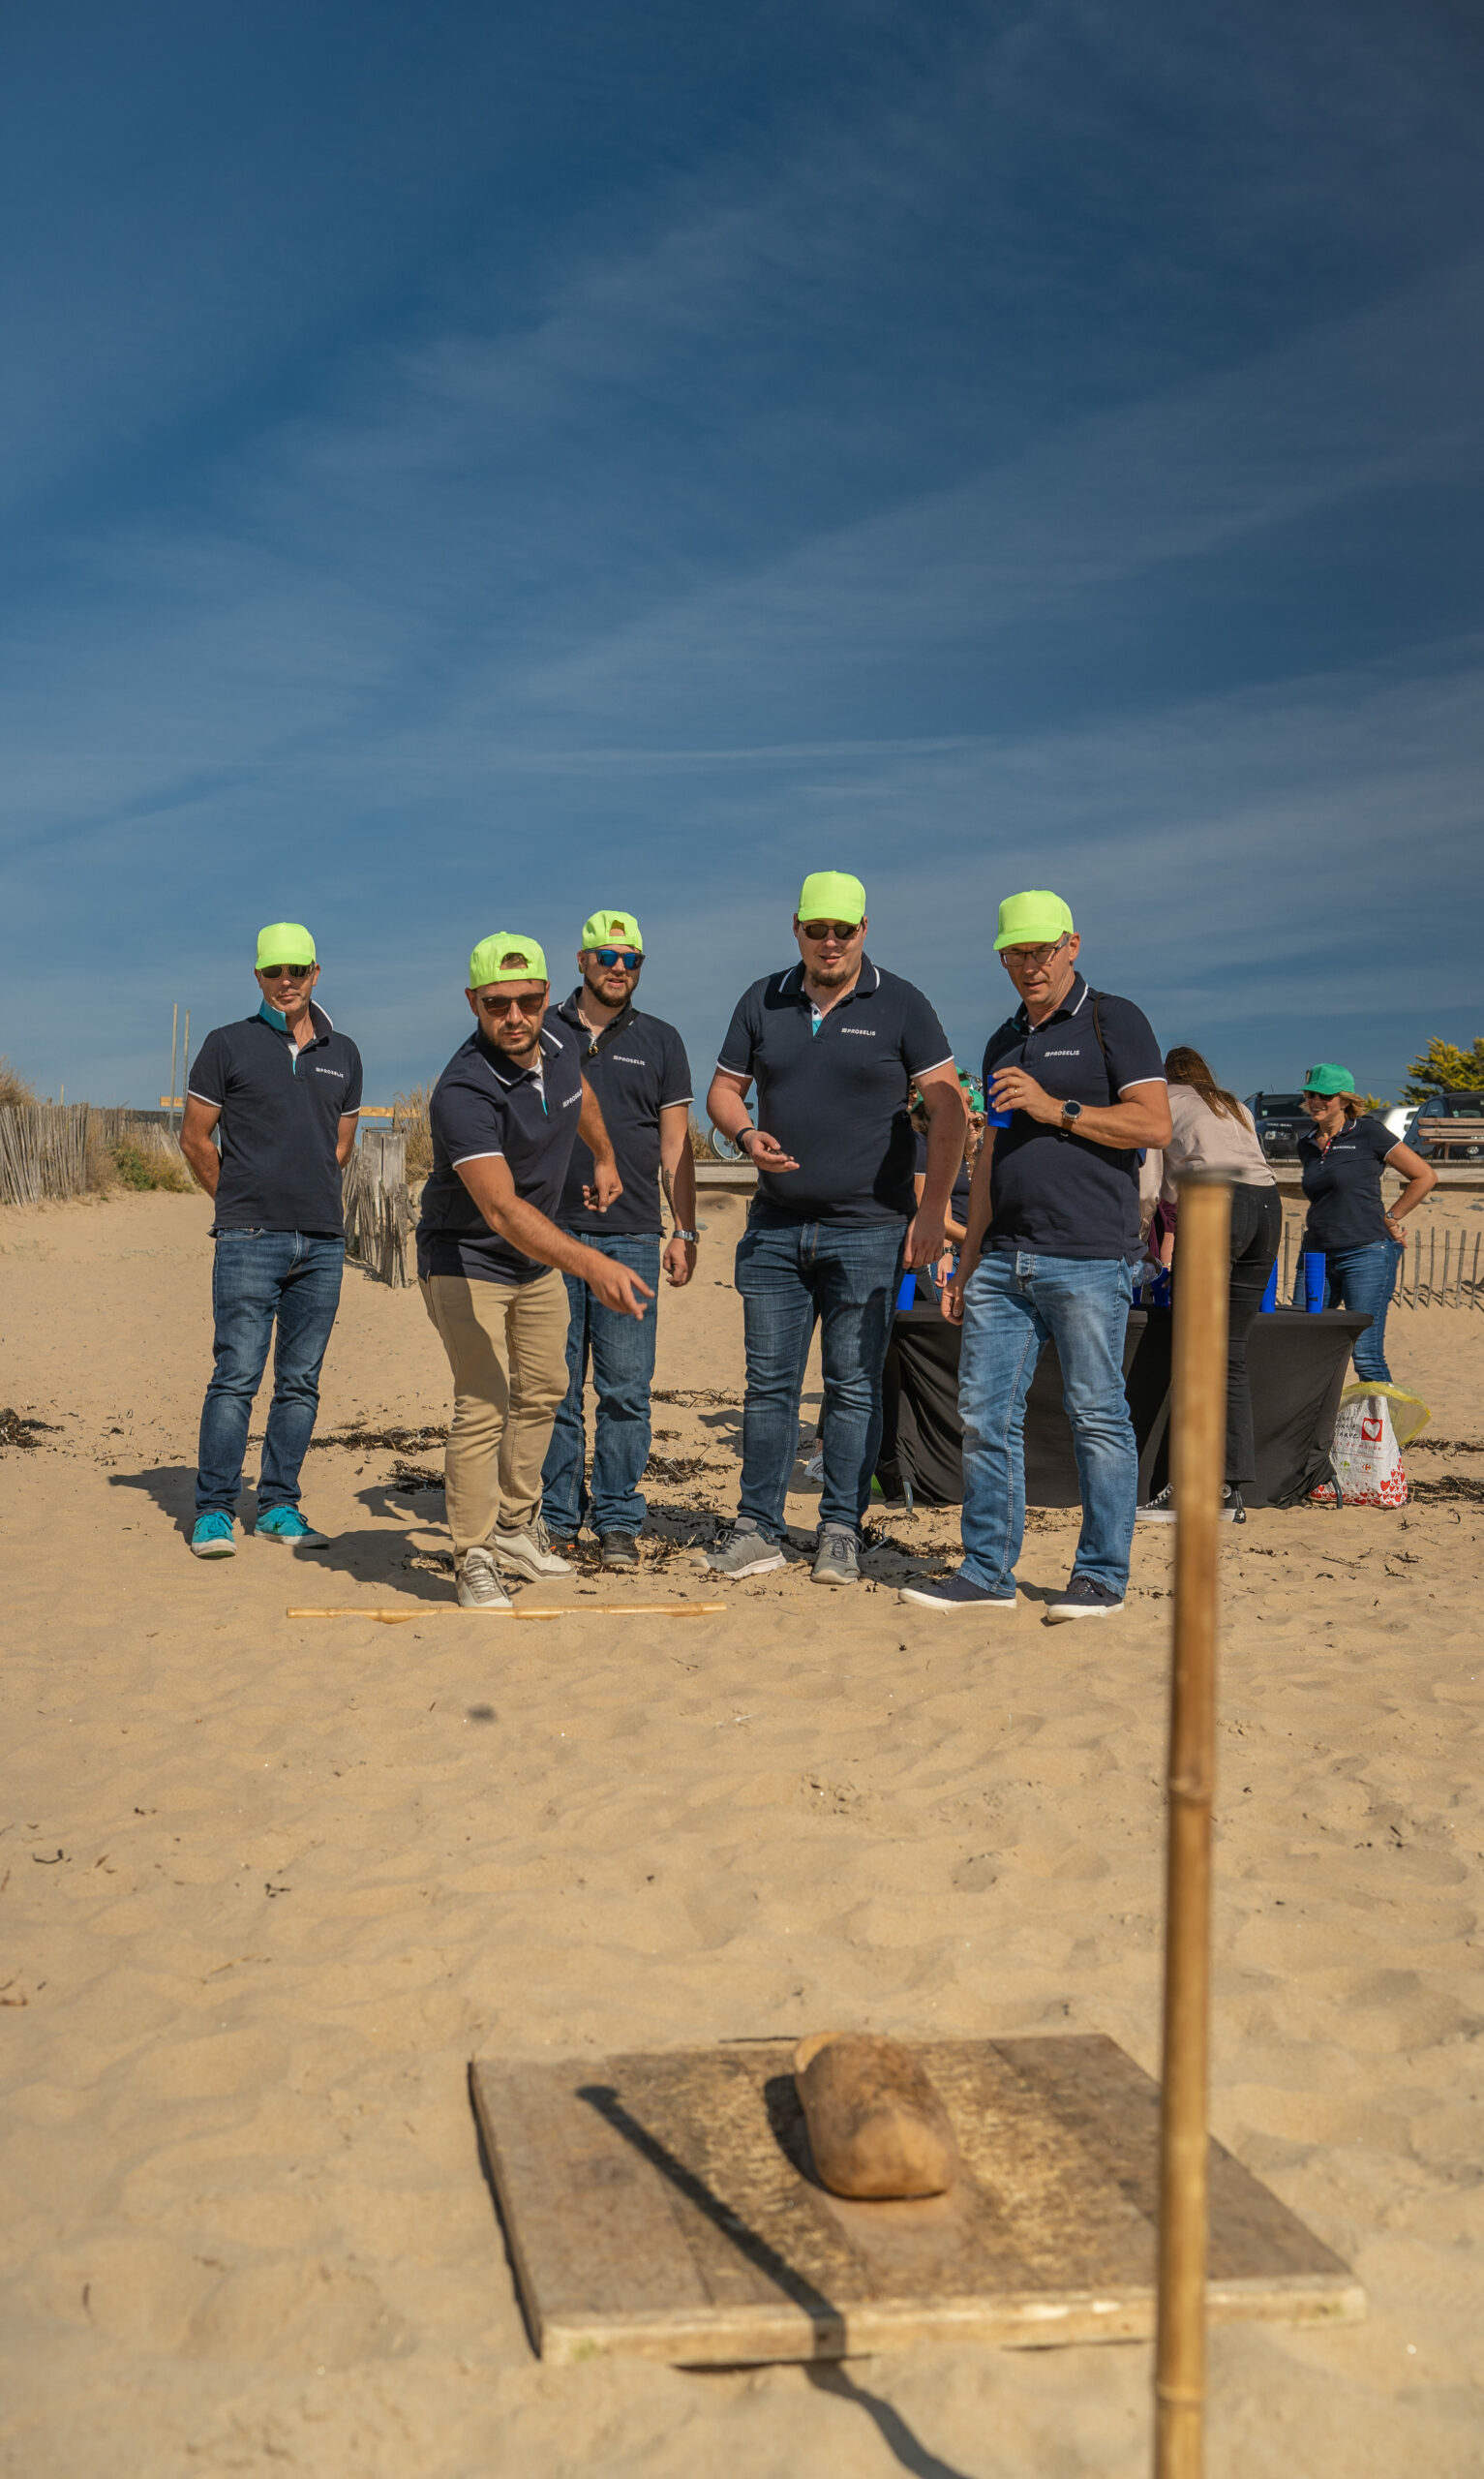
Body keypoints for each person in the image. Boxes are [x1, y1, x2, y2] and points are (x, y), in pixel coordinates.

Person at [901, 891, 1171, 1622]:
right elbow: (988, 1160)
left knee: (1096, 1417)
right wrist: (971, 1256)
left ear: (1071, 945)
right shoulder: (999, 1041)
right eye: (1014, 953)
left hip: (1089, 1257)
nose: (1029, 966)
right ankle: (987, 1571)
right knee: (985, 1417)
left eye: (1040, 950)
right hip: (1003, 1262)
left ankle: (1099, 1577)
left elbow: (1154, 1123)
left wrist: (1056, 1107)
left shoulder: (1115, 1019)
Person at [705, 871, 962, 1587]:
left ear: (863, 931)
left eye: (841, 930)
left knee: (852, 1389)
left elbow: (949, 1109)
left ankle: (841, 1530)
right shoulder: (762, 998)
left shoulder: (902, 1003)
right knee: (768, 1388)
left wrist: (933, 1214)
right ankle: (757, 1527)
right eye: (815, 929)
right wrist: (746, 1134)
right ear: (795, 928)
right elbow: (723, 1091)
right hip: (776, 1228)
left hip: (869, 1229)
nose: (828, 942)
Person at [416, 933, 653, 1611]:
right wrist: (592, 1263)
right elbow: (499, 1210)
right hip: (465, 1257)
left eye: (526, 1001)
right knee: (483, 1401)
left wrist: (604, 1157)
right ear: (473, 1002)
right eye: (496, 1005)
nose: (514, 1016)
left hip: (531, 1262)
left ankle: (517, 1526)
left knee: (546, 1386)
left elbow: (582, 1098)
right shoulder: (463, 1089)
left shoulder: (559, 1041)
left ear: (548, 996)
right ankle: (473, 1557)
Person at [180, 923, 362, 1558]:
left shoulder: (345, 1051)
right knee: (235, 1376)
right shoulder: (226, 1045)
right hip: (247, 1238)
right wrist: (235, 1204)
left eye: (297, 971)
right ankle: (213, 1512)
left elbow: (341, 1143)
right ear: (256, 976)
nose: (286, 982)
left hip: (322, 1241)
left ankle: (280, 1506)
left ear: (316, 972)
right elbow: (195, 1138)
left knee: (300, 1382)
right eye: (273, 971)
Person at [541, 909, 697, 1568]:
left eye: (630, 959)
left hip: (631, 1235)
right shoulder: (539, 1028)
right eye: (606, 956)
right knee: (552, 1385)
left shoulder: (661, 1041)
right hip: (546, 1234)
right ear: (581, 961)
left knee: (626, 1389)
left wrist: (684, 1229)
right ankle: (554, 1516)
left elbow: (675, 1147)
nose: (617, 968)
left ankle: (616, 1519)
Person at [1137, 1046, 1282, 1525]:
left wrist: (1140, 1240)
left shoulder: (1160, 1099)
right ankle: (1228, 1487)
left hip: (1217, 1203)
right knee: (1230, 1354)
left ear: (1165, 1075)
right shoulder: (1232, 1103)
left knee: (1198, 1351)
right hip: (1267, 1206)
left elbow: (1150, 1187)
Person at [1295, 1063, 1435, 1382]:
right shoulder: (1306, 1144)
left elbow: (1424, 1176)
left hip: (1366, 1253)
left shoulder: (1368, 1132)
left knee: (1366, 1355)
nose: (1316, 1100)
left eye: (1325, 1095)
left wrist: (1392, 1217)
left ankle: (1382, 1431)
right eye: (1311, 1094)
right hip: (1315, 1256)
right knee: (1304, 1344)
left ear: (1344, 1100)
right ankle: (1312, 1431)